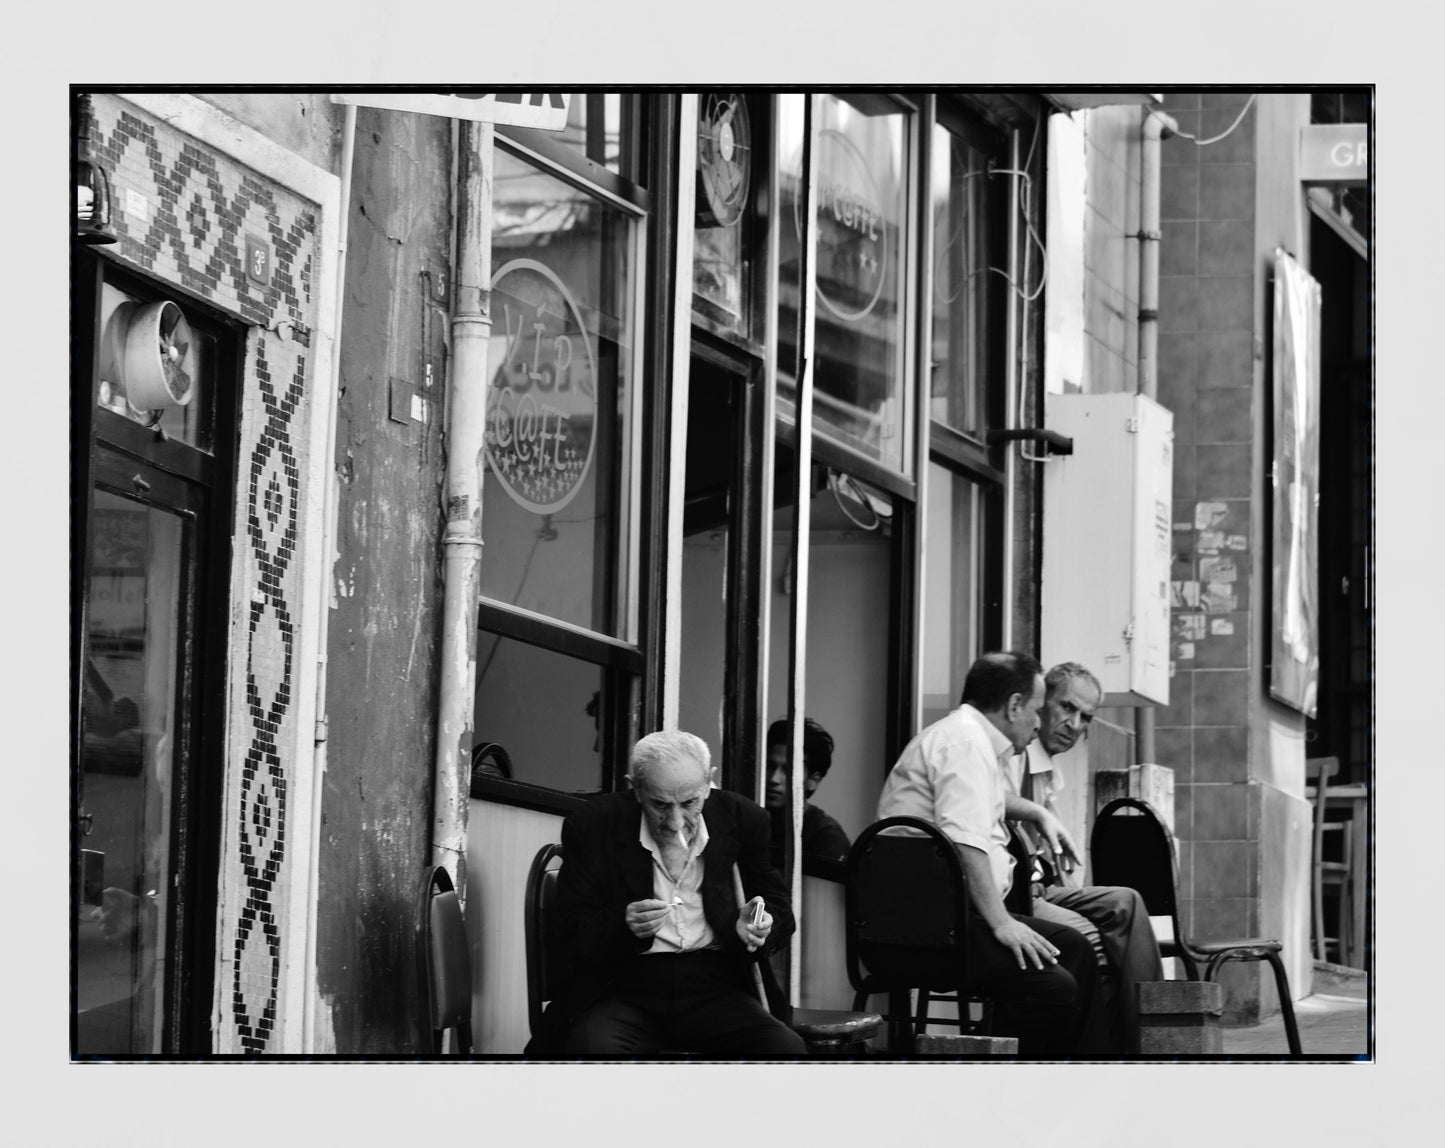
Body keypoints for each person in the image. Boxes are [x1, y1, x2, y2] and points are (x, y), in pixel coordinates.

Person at [875, 650, 1106, 1058]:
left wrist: (1035, 812)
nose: (1039, 722)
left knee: (1076, 951)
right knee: (1053, 986)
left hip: (950, 917)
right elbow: (965, 844)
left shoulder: (971, 740)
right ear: (1015, 705)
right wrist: (1003, 923)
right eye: (1038, 709)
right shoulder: (965, 743)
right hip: (929, 927)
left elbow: (987, 801)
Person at [528, 730, 807, 1058]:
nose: (675, 822)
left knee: (783, 1049)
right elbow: (569, 932)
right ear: (636, 788)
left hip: (717, 983)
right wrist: (623, 923)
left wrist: (760, 925)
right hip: (622, 986)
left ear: (708, 783)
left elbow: (778, 907)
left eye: (689, 803)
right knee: (593, 1049)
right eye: (660, 805)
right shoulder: (594, 824)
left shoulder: (743, 819)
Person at [1004, 661, 1165, 1054]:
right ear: (1041, 704)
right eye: (1066, 708)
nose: (1074, 724)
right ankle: (1110, 1051)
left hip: (1038, 889)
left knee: (1126, 902)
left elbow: (1052, 865)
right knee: (1088, 936)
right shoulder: (1014, 754)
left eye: (1085, 717)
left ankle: (1155, 1030)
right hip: (1007, 892)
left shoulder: (1047, 774)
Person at [765, 717, 851, 865]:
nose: (774, 779)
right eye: (769, 766)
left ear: (813, 780)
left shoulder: (827, 837)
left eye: (788, 770)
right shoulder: (749, 822)